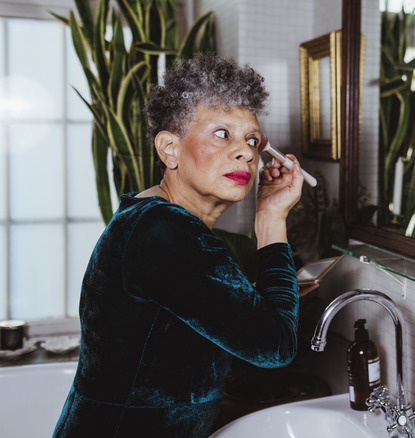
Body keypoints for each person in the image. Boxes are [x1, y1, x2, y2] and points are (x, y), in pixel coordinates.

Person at [53, 55, 304, 437]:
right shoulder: (164, 231)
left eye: (252, 139)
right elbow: (275, 346)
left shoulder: (150, 218)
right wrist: (271, 219)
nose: (247, 153)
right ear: (169, 148)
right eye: (223, 134)